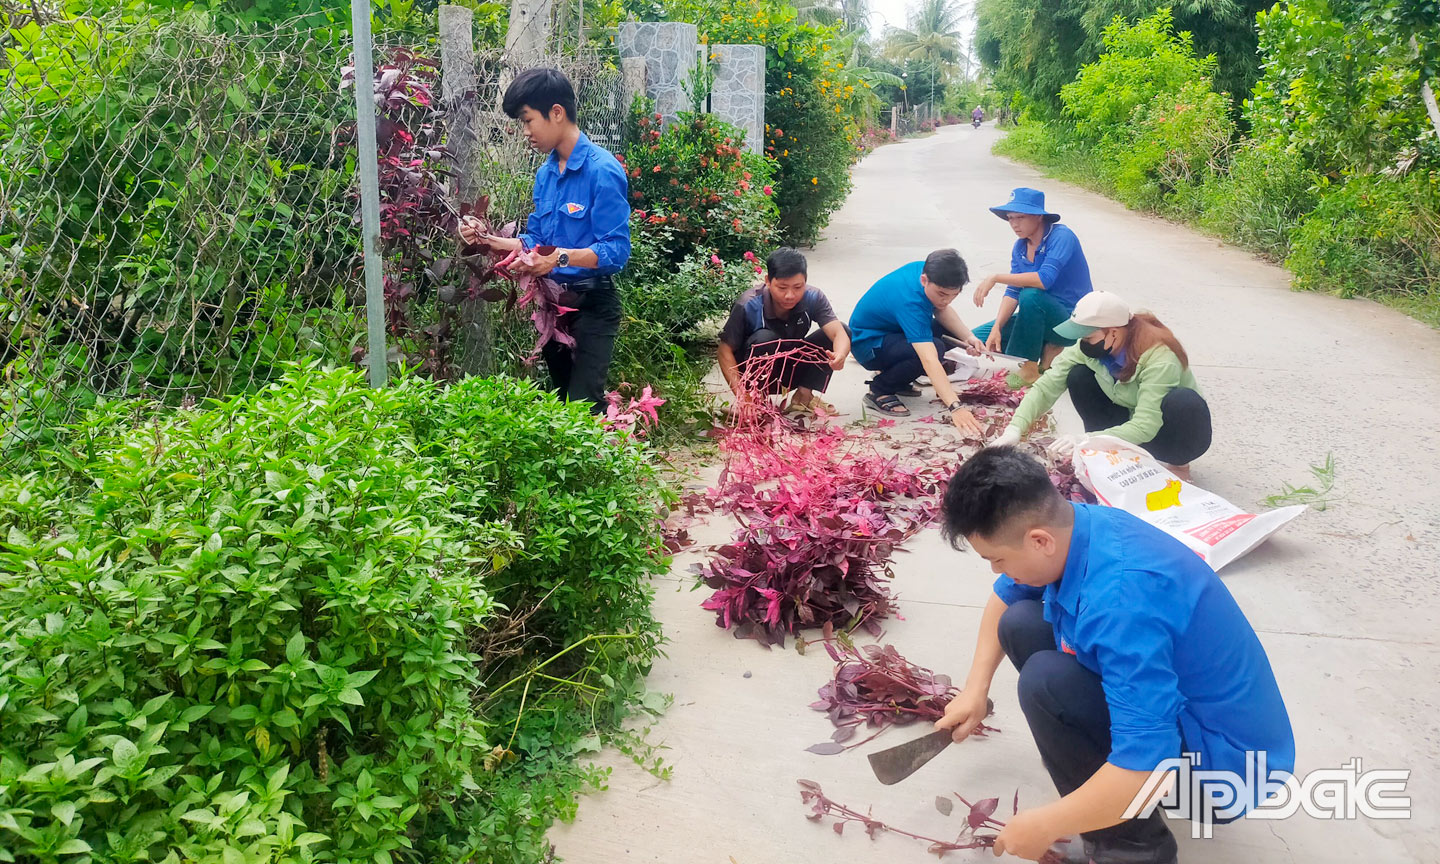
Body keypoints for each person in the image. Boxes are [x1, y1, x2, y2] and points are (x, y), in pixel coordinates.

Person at [934, 446, 1294, 864]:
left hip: (1223, 771)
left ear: (1039, 540)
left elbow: (1146, 761)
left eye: (997, 559)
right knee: (1020, 622)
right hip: (1190, 716)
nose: (996, 570)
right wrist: (975, 690)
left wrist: (1046, 824)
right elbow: (1004, 599)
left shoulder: (1121, 602)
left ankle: (1133, 848)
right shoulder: (1079, 525)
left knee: (1047, 682)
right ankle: (1101, 789)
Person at [458, 68, 630, 409]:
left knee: (584, 406)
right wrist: (487, 239)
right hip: (552, 306)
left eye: (527, 120)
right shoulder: (546, 173)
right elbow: (535, 240)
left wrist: (559, 258)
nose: (525, 132)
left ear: (556, 113)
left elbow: (616, 251)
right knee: (564, 403)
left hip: (592, 306)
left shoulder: (602, 170)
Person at [993, 291, 1211, 479]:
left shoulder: (1159, 357)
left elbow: (1146, 425)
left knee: (1182, 402)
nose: (1082, 343)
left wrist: (1085, 439)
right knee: (1078, 375)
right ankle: (1108, 453)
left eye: (1087, 337)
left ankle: (1179, 462)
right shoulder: (1091, 347)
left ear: (1113, 332)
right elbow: (1046, 386)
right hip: (1127, 417)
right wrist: (1015, 429)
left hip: (1166, 426)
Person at [848, 249, 986, 434]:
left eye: (953, 295)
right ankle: (880, 390)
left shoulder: (928, 270)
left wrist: (969, 338)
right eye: (942, 293)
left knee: (947, 332)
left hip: (894, 330)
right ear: (924, 280)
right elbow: (928, 358)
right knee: (934, 349)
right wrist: (955, 407)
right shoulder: (910, 302)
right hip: (868, 344)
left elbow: (941, 309)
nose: (946, 300)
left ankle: (899, 378)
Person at [717, 248, 850, 414]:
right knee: (765, 338)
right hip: (756, 371)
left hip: (791, 369)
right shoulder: (748, 305)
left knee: (843, 330)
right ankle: (756, 400)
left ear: (805, 282)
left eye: (797, 287)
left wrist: (840, 355)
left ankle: (803, 396)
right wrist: (743, 396)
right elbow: (724, 351)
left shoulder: (813, 297)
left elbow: (838, 333)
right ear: (768, 281)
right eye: (782, 288)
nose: (790, 295)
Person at [972, 188, 1093, 366]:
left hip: (1070, 319)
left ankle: (1029, 366)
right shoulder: (1020, 247)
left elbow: (1044, 279)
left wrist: (995, 277)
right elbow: (1013, 292)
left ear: (1039, 216)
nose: (1014, 224)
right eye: (1010, 218)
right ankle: (1045, 349)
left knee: (1030, 295)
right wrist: (997, 327)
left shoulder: (1061, 236)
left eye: (1020, 217)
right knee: (974, 339)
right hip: (1036, 317)